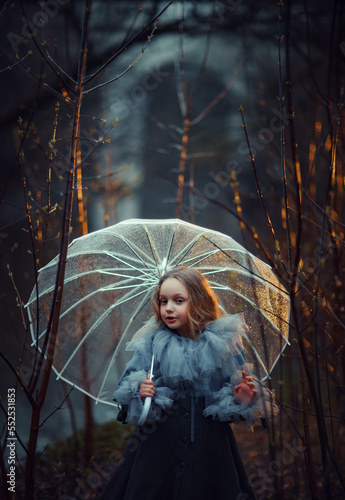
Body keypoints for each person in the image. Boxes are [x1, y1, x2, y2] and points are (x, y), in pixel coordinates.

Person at [100, 267, 276, 500]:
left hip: (209, 450)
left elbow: (236, 397)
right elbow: (126, 393)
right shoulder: (152, 344)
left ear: (198, 301)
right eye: (163, 301)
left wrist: (240, 399)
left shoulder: (222, 343)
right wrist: (140, 391)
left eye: (178, 300)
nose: (169, 308)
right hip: (157, 449)